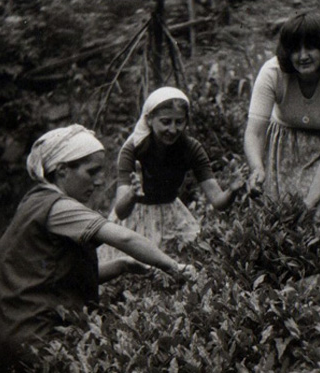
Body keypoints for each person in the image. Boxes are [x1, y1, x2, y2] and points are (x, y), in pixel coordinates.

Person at [0, 125, 195, 373]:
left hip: (1, 336)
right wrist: (174, 267)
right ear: (62, 170)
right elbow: (124, 237)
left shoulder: (34, 201)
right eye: (91, 172)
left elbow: (54, 278)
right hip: (28, 339)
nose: (99, 181)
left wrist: (122, 266)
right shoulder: (58, 207)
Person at [99, 86, 243, 261]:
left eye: (179, 122)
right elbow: (121, 212)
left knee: (197, 259)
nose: (173, 129)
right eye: (166, 122)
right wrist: (132, 195)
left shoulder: (192, 148)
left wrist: (232, 191)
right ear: (150, 119)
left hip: (172, 214)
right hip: (134, 219)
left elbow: (218, 201)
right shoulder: (133, 149)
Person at [243, 13, 320, 216]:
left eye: (310, 47)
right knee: (275, 216)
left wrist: (309, 204)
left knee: (318, 217)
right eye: (295, 49)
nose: (303, 56)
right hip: (281, 147)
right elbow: (255, 133)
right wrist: (257, 168)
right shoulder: (272, 73)